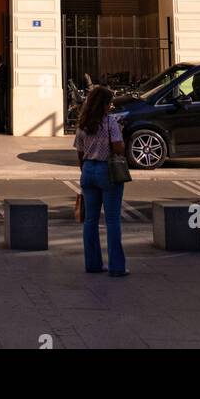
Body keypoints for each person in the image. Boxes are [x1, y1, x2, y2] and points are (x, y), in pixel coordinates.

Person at [74, 84, 127, 276]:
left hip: (88, 170)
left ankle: (93, 263)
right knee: (112, 220)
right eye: (109, 103)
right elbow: (118, 147)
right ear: (104, 104)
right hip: (107, 170)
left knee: (90, 220)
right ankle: (116, 266)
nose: (110, 106)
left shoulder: (82, 124)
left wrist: (85, 168)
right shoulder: (110, 122)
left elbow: (79, 152)